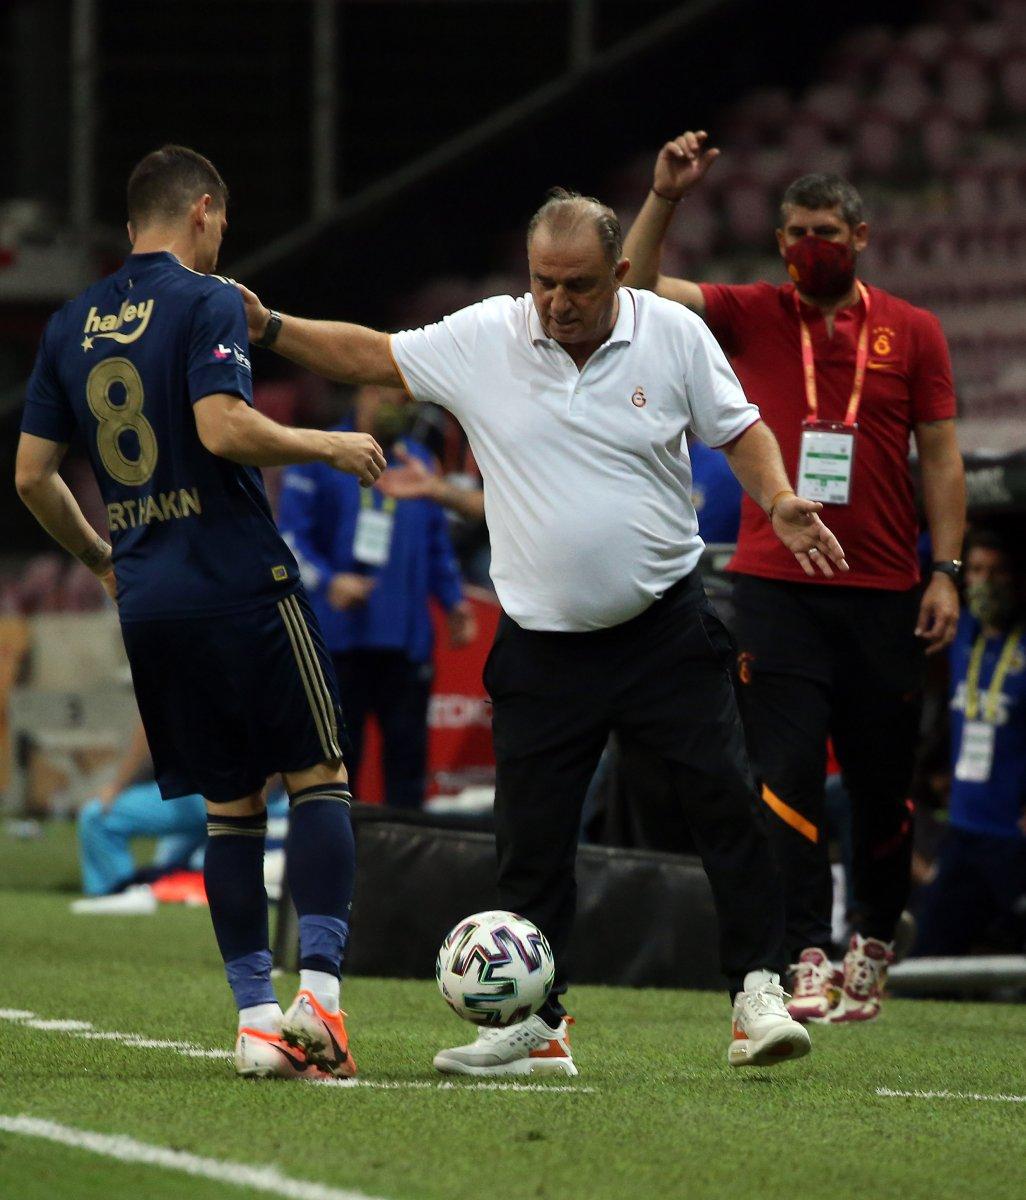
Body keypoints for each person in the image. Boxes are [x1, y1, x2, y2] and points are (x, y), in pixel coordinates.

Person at [237, 188, 853, 1076]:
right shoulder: (491, 335)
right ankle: (535, 1027)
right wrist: (273, 327)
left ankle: (755, 994)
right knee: (530, 839)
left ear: (623, 274)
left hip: (664, 629)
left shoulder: (673, 335)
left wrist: (783, 498)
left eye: (579, 285)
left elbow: (741, 428)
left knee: (724, 802)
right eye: (543, 283)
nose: (558, 302)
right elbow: (375, 356)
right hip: (542, 644)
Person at [15, 144, 387, 1081]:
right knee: (318, 776)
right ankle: (325, 1003)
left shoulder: (70, 322)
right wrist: (329, 443)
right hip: (237, 580)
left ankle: (257, 1021)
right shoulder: (208, 297)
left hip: (150, 599)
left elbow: (30, 476)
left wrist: (102, 559)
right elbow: (223, 427)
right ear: (204, 212)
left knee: (230, 810)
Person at [623, 130, 966, 1023]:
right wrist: (666, 197)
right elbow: (633, 286)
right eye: (794, 231)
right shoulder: (750, 312)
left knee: (883, 779)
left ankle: (874, 941)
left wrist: (949, 571)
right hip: (774, 584)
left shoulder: (914, 332)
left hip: (886, 586)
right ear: (779, 244)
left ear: (859, 236)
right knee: (783, 774)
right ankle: (804, 949)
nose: (807, 244)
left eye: (824, 229)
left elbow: (942, 461)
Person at [278, 384, 476, 809]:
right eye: (386, 394)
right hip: (339, 641)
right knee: (337, 769)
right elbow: (290, 538)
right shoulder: (321, 455)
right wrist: (330, 581)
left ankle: (402, 870)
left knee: (408, 766)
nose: (395, 406)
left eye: (403, 398)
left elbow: (436, 542)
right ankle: (339, 868)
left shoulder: (416, 461)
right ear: (361, 394)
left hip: (406, 643)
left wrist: (454, 601)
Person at [914, 530, 1026, 955]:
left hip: (1014, 839)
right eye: (977, 570)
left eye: (996, 571)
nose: (986, 581)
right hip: (963, 828)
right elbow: (922, 546)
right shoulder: (962, 634)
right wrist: (948, 568)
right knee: (924, 965)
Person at [75, 721, 206, 903]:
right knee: (174, 866)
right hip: (210, 795)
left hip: (213, 794)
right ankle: (120, 894)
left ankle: (117, 894)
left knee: (97, 816)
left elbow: (147, 726)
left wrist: (117, 786)